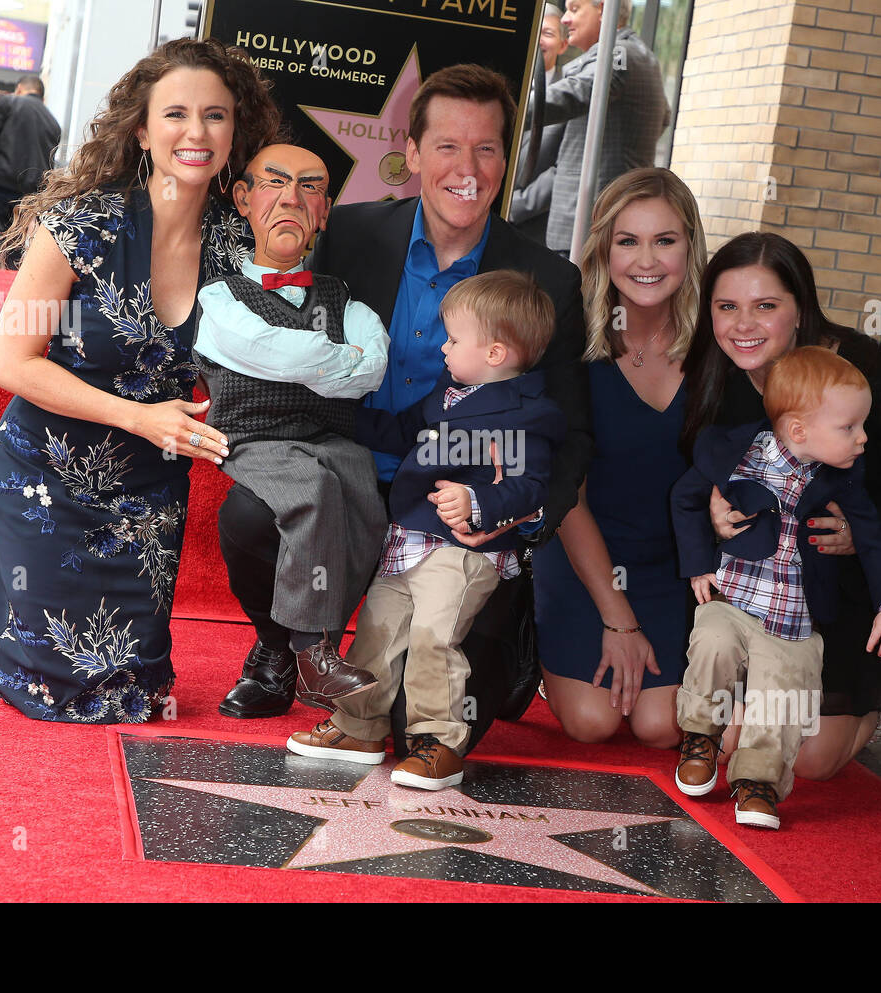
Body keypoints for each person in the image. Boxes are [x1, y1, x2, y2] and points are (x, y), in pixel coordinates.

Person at [217, 63, 591, 750]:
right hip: (350, 465)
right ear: (412, 152)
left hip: (462, 510)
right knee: (250, 509)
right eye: (447, 145)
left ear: (505, 160)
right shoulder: (348, 236)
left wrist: (520, 514)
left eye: (485, 148)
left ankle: (497, 646)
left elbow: (571, 432)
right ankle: (280, 647)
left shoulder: (550, 281)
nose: (466, 167)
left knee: (414, 720)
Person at [0, 38, 280, 723]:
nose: (195, 132)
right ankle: (12, 610)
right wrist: (141, 416)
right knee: (62, 693)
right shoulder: (80, 225)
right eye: (175, 114)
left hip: (148, 492)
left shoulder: (241, 244)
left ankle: (14, 610)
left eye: (215, 116)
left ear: (237, 131)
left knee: (135, 695)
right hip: (46, 472)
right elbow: (11, 363)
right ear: (142, 128)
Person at [287, 270, 567, 789]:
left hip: (461, 552)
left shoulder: (528, 416)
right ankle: (358, 727)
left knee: (434, 638)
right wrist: (331, 413)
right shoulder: (449, 393)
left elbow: (530, 486)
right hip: (407, 541)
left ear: (496, 354)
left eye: (455, 339)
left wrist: (479, 500)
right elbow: (399, 431)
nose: (443, 347)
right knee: (376, 631)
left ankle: (438, 740)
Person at [679, 232, 881, 777]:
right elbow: (701, 474)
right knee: (728, 738)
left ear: (800, 309)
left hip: (847, 579)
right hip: (757, 577)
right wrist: (712, 507)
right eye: (727, 307)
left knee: (814, 761)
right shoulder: (716, 373)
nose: (743, 325)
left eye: (766, 306)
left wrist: (856, 532)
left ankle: (873, 707)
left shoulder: (869, 374)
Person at [671, 346, 881, 829]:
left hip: (794, 618)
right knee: (712, 645)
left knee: (783, 694)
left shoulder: (845, 480)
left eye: (862, 426)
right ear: (799, 430)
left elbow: (876, 542)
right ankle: (700, 736)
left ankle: (759, 782)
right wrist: (699, 565)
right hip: (733, 599)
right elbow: (685, 498)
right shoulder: (734, 453)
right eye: (850, 428)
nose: (863, 439)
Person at [194, 143, 389, 715]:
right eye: (275, 182)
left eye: (310, 187)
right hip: (256, 441)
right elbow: (266, 348)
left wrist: (313, 363)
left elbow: (370, 368)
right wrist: (329, 361)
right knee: (310, 492)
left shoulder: (345, 300)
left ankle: (291, 652)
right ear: (244, 199)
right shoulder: (220, 296)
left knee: (363, 501)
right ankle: (308, 651)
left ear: (325, 211)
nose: (292, 198)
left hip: (333, 444)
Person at [532, 167, 706, 749]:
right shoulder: (573, 339)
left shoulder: (716, 347)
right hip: (583, 551)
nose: (646, 260)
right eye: (627, 241)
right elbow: (566, 491)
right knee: (592, 723)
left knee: (662, 728)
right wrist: (617, 617)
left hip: (675, 565)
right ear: (605, 249)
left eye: (665, 240)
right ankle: (536, 653)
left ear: (690, 246)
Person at [535, 0, 669, 255]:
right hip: (606, 218)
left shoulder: (617, 53)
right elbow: (665, 117)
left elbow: (579, 93)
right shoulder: (644, 56)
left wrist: (509, 105)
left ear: (604, 10)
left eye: (574, 9)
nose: (565, 19)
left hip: (584, 224)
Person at [509, 3, 569, 246]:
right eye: (534, 33)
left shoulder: (571, 98)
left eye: (547, 33)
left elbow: (563, 168)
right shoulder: (500, 83)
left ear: (563, 45)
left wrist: (515, 206)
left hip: (532, 230)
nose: (538, 41)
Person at [0, 74, 62, 229]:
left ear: (19, 89)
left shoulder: (8, 102)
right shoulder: (54, 123)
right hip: (31, 196)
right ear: (42, 96)